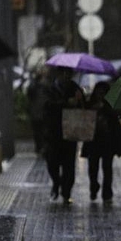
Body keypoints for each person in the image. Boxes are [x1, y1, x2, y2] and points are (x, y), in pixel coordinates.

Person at [42, 66, 84, 204]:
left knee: (69, 165)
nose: (66, 76)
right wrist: (65, 103)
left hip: (70, 132)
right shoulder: (50, 89)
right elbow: (47, 106)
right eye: (63, 73)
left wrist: (79, 100)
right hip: (54, 132)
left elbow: (83, 108)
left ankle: (66, 192)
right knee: (52, 162)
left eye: (69, 73)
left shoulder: (75, 88)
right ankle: (56, 182)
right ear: (59, 74)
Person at [80, 81, 121, 204]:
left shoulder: (110, 105)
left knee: (107, 168)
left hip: (107, 141)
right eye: (99, 92)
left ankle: (107, 192)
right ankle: (94, 187)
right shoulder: (90, 104)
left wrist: (104, 109)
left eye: (103, 93)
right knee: (92, 168)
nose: (101, 95)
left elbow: (116, 117)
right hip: (93, 141)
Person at [26, 68, 50, 155]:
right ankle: (41, 147)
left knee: (37, 131)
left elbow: (29, 98)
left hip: (36, 113)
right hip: (41, 113)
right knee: (41, 131)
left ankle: (39, 147)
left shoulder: (33, 86)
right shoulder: (44, 87)